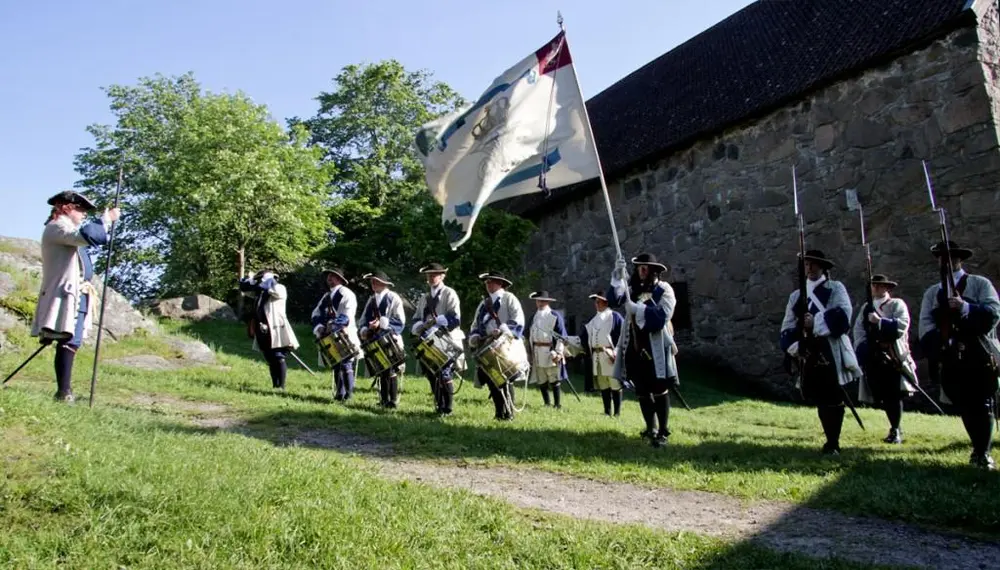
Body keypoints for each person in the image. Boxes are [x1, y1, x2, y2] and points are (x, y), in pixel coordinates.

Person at [30, 191, 120, 402]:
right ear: (67, 207)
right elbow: (87, 236)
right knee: (67, 338)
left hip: (77, 293)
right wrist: (106, 220)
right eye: (80, 209)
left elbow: (91, 238)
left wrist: (103, 223)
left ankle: (65, 391)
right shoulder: (57, 227)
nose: (83, 214)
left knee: (72, 340)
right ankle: (64, 392)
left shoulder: (67, 228)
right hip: (65, 293)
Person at [918, 240, 1000, 470]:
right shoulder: (933, 292)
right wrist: (942, 343)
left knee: (982, 402)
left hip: (978, 352)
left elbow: (993, 312)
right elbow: (925, 325)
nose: (946, 261)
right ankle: (977, 447)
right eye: (942, 257)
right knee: (964, 403)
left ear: (959, 259)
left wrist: (966, 307)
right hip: (951, 354)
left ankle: (983, 452)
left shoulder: (979, 284)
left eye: (951, 257)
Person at [779, 249, 862, 456]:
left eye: (814, 264)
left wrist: (814, 322)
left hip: (831, 349)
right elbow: (787, 326)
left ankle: (833, 442)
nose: (810, 268)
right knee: (819, 397)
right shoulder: (797, 296)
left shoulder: (835, 288)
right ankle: (829, 439)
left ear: (823, 267)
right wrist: (796, 347)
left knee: (834, 396)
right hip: (808, 352)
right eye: (807, 264)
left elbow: (843, 316)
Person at [606, 253, 678, 447]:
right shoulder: (632, 290)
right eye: (639, 267)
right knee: (642, 390)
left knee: (659, 389)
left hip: (655, 348)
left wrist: (638, 309)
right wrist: (617, 276)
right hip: (634, 347)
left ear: (654, 270)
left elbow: (661, 317)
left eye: (645, 267)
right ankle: (650, 428)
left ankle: (663, 431)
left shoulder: (664, 290)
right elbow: (614, 300)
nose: (642, 270)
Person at [852, 274, 917, 444]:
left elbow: (902, 325)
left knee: (893, 395)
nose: (876, 288)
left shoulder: (897, 304)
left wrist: (880, 321)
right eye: (874, 285)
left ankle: (895, 428)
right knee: (881, 394)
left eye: (880, 286)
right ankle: (893, 426)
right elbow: (858, 330)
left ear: (887, 288)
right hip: (873, 357)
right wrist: (863, 348)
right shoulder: (867, 307)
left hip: (892, 356)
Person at [468, 271, 528, 421]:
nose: (488, 285)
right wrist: (475, 335)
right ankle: (498, 412)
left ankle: (509, 413)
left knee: (505, 379)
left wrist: (502, 330)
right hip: (487, 345)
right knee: (491, 379)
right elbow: (476, 323)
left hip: (506, 345)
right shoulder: (484, 303)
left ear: (500, 283)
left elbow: (518, 320)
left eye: (491, 282)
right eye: (487, 282)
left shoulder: (509, 299)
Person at [409, 263, 465, 415]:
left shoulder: (449, 293)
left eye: (434, 274)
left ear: (442, 276)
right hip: (428, 340)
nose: (431, 277)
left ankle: (447, 408)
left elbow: (455, 318)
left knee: (444, 372)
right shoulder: (424, 297)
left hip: (445, 339)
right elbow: (416, 318)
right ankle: (439, 405)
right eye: (429, 275)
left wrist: (437, 322)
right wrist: (421, 325)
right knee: (430, 372)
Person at [239, 269, 300, 390]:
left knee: (278, 356)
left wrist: (268, 279)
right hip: (262, 328)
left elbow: (272, 289)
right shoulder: (261, 291)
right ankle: (275, 385)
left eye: (262, 278)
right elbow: (244, 288)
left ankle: (281, 386)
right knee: (269, 357)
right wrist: (250, 280)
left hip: (276, 327)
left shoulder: (279, 288)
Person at [311, 267, 361, 401]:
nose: (329, 278)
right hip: (328, 334)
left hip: (344, 333)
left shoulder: (347, 294)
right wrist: (320, 326)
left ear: (339, 279)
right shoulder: (326, 296)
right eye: (329, 276)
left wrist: (333, 326)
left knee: (345, 363)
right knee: (336, 364)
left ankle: (349, 394)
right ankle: (340, 393)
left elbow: (347, 314)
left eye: (333, 276)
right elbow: (317, 313)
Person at [358, 271, 407, 408]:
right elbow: (364, 319)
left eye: (376, 281)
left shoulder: (393, 297)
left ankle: (393, 400)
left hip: (390, 339)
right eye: (372, 281)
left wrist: (382, 324)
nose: (373, 284)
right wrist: (365, 329)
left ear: (384, 283)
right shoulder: (372, 299)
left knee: (390, 369)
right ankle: (383, 399)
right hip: (374, 338)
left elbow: (400, 321)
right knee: (380, 369)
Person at [580, 292, 624, 417]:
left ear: (606, 302)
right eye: (595, 302)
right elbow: (583, 338)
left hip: (610, 356)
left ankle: (617, 413)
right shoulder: (593, 320)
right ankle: (607, 411)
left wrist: (615, 353)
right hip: (597, 356)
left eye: (598, 301)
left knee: (614, 384)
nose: (596, 304)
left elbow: (623, 337)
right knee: (603, 384)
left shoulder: (615, 317)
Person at [527, 291, 568, 408]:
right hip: (536, 352)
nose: (540, 303)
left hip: (550, 351)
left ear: (548, 302)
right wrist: (529, 353)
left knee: (553, 378)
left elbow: (561, 336)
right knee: (541, 379)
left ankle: (557, 404)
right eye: (538, 301)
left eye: (542, 301)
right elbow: (528, 335)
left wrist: (559, 352)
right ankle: (546, 403)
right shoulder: (533, 317)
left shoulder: (554, 316)